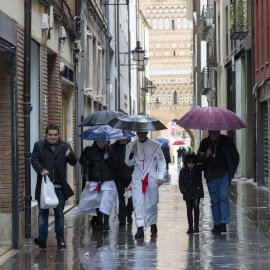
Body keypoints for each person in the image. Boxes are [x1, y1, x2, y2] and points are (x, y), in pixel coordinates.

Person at [31, 123, 77, 248]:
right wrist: (41, 169)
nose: (53, 137)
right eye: (50, 135)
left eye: (55, 135)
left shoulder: (65, 146)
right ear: (46, 134)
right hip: (44, 187)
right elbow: (33, 159)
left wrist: (70, 155)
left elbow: (73, 162)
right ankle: (42, 238)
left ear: (58, 135)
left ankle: (60, 238)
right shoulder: (39, 145)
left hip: (59, 187)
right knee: (43, 212)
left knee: (59, 213)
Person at [125, 131, 166, 238]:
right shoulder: (130, 145)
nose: (142, 135)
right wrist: (132, 152)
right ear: (137, 133)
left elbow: (161, 161)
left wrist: (160, 176)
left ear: (147, 132)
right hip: (138, 176)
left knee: (152, 201)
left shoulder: (156, 145)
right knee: (137, 202)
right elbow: (128, 163)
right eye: (140, 133)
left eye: (144, 132)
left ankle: (152, 223)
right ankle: (140, 227)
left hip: (151, 176)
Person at [197, 130, 239, 233]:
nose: (215, 134)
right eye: (212, 132)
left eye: (217, 132)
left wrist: (231, 171)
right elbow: (198, 158)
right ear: (209, 132)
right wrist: (206, 155)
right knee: (215, 200)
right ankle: (216, 224)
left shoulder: (227, 141)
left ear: (219, 131)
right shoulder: (205, 143)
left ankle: (223, 223)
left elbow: (235, 156)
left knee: (223, 197)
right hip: (211, 176)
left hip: (224, 175)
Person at [78, 140, 118, 231]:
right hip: (95, 181)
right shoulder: (91, 152)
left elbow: (116, 166)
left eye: (103, 141)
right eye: (99, 141)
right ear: (96, 141)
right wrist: (87, 179)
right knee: (98, 202)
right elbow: (87, 167)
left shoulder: (111, 151)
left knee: (106, 201)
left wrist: (107, 159)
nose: (101, 143)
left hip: (108, 182)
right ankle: (100, 222)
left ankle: (106, 223)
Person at [179, 152, 205, 234]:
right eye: (188, 163)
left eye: (192, 163)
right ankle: (190, 227)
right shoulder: (183, 171)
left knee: (196, 208)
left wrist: (201, 156)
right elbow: (180, 181)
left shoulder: (198, 169)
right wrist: (183, 190)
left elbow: (205, 163)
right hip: (187, 193)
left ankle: (196, 226)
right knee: (189, 210)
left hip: (196, 192)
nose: (190, 165)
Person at [111, 138, 134, 226]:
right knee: (121, 198)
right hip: (118, 177)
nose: (125, 139)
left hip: (130, 176)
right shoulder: (112, 148)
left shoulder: (131, 146)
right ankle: (122, 218)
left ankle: (129, 213)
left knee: (131, 198)